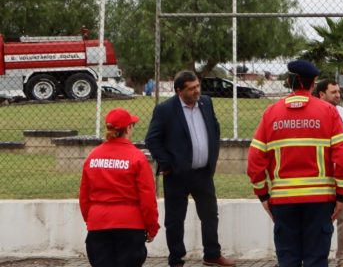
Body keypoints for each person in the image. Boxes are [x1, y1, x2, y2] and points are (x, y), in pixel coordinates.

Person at [248, 60, 343, 267]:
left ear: (289, 81)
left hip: (283, 202)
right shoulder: (329, 112)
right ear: (314, 84)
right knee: (316, 260)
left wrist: (263, 196)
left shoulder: (271, 113)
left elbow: (254, 161)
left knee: (288, 260)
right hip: (320, 201)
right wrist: (341, 195)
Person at [145, 71, 235, 267]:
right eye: (191, 88)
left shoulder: (206, 102)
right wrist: (167, 164)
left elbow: (215, 129)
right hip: (177, 174)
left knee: (210, 215)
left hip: (203, 173)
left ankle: (212, 254)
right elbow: (152, 140)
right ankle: (176, 259)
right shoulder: (165, 110)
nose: (196, 91)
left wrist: (212, 157)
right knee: (175, 220)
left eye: (197, 86)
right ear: (179, 90)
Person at [80, 107, 159, 267]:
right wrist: (152, 227)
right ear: (128, 128)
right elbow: (147, 197)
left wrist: (91, 221)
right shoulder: (137, 158)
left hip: (99, 223)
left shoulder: (93, 156)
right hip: (130, 224)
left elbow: (84, 196)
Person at [314, 79, 343, 267]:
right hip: (319, 175)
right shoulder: (314, 114)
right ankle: (317, 257)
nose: (338, 95)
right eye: (333, 92)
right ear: (321, 94)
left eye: (338, 91)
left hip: (341, 173)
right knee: (317, 219)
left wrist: (340, 162)